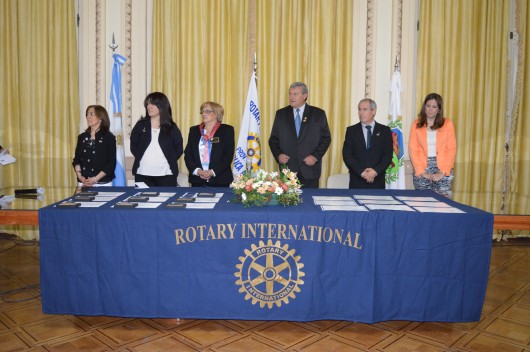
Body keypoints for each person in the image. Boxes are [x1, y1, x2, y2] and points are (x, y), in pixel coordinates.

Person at [268, 82, 331, 188]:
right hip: (288, 170)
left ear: (305, 95)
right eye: (290, 94)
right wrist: (278, 154)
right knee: (288, 203)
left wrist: (315, 157)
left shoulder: (318, 114)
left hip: (310, 170)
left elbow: (326, 138)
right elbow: (273, 139)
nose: (291, 97)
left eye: (295, 94)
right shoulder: (281, 114)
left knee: (310, 203)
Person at [130, 92, 183, 187]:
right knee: (143, 201)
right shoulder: (141, 125)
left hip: (166, 175)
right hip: (142, 174)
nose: (149, 106)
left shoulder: (171, 127)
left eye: (153, 104)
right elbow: (134, 147)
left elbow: (178, 149)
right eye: (148, 103)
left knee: (166, 201)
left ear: (162, 106)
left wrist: (168, 159)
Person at [409, 93, 456, 198]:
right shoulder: (416, 124)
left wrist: (443, 172)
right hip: (422, 168)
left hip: (443, 167)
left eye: (434, 107)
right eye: (428, 106)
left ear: (439, 110)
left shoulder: (447, 124)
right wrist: (422, 172)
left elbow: (451, 149)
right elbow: (413, 149)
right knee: (422, 201)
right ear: (424, 107)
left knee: (444, 203)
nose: (430, 109)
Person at [342, 98, 393, 189]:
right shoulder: (351, 131)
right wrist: (362, 173)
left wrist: (375, 172)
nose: (361, 113)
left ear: (373, 111)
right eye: (359, 109)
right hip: (357, 180)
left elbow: (387, 156)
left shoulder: (385, 131)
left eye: (365, 109)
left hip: (377, 180)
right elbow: (347, 155)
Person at [184, 102, 235, 187]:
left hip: (220, 179)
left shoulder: (227, 130)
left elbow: (228, 156)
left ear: (217, 113)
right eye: (202, 111)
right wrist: (197, 171)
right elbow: (188, 154)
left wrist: (212, 172)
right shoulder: (194, 130)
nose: (204, 114)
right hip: (197, 180)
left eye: (207, 111)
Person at [72, 105, 116, 187]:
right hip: (83, 183)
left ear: (100, 118)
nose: (88, 117)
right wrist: (80, 176)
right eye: (87, 114)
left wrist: (95, 179)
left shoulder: (109, 138)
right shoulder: (81, 137)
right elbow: (76, 160)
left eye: (91, 114)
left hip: (102, 183)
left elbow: (111, 163)